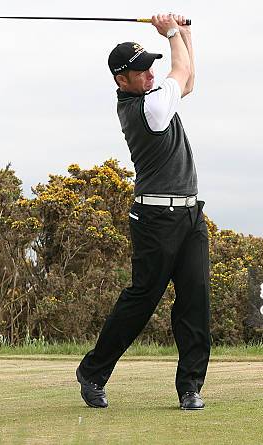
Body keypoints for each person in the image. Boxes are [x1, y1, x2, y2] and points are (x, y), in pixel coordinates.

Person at [76, 13, 210, 410]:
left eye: (150, 66)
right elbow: (180, 71)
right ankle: (93, 372)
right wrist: (170, 34)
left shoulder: (156, 100)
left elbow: (188, 79)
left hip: (190, 216)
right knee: (141, 301)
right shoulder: (147, 109)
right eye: (140, 71)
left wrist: (184, 34)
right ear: (122, 81)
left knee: (195, 300)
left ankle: (190, 388)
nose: (150, 74)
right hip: (155, 221)